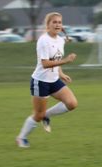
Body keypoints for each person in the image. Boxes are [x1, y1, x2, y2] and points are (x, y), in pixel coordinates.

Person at [16, 12, 78, 148]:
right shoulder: (43, 40)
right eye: (54, 22)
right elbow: (45, 63)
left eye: (59, 22)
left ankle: (47, 115)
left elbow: (56, 58)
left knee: (72, 103)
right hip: (41, 81)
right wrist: (66, 60)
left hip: (54, 80)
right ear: (48, 25)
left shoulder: (60, 40)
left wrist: (61, 73)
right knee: (38, 115)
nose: (57, 24)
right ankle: (21, 138)